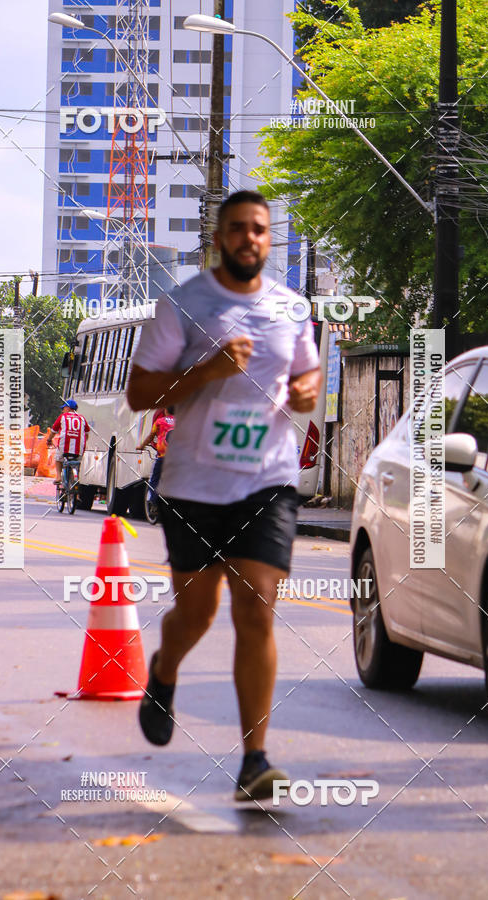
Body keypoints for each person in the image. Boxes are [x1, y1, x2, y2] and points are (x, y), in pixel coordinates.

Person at [127, 190, 321, 801]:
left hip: (266, 480)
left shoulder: (292, 308)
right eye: (237, 229)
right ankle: (164, 669)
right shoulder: (182, 304)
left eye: (259, 230)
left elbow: (306, 374)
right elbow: (139, 394)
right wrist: (205, 371)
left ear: (269, 238)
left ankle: (253, 760)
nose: (249, 239)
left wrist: (309, 389)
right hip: (194, 483)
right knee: (197, 613)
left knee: (256, 606)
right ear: (219, 238)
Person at [136, 407, 175, 506]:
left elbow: (151, 437)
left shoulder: (159, 421)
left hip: (162, 457)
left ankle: (153, 501)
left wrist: (141, 446)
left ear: (165, 411)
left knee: (154, 479)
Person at [47, 399, 90, 485]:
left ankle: (58, 476)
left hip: (64, 447)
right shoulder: (82, 418)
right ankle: (78, 478)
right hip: (78, 448)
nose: (62, 410)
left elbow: (53, 431)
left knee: (58, 458)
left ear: (68, 408)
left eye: (64, 408)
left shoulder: (62, 417)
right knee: (79, 462)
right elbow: (87, 434)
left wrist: (49, 440)